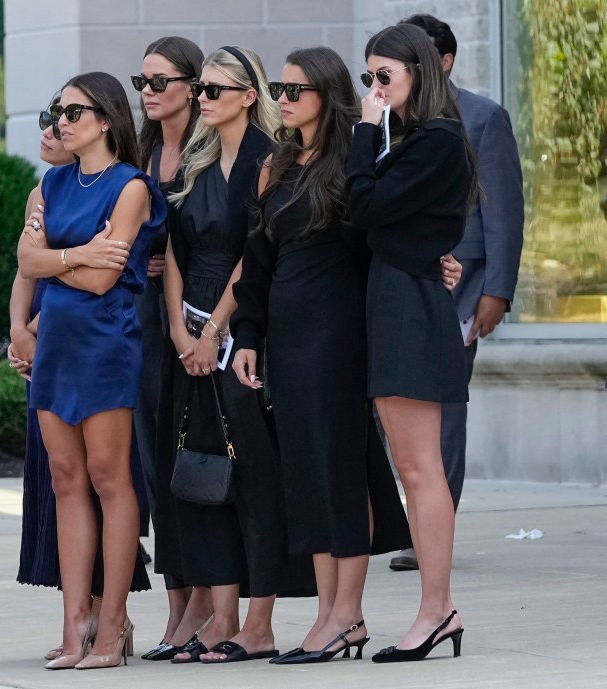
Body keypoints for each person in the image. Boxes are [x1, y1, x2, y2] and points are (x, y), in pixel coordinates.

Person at [230, 47, 415, 665]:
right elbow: (257, 261)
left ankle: (348, 614)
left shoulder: (352, 160)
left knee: (339, 471)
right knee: (304, 476)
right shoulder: (276, 164)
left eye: (295, 91)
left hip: (338, 334)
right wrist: (249, 335)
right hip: (286, 334)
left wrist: (434, 261)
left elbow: (385, 237)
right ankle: (326, 614)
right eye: (279, 90)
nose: (283, 100)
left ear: (326, 95)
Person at [160, 46, 312, 665]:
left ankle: (259, 622)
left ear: (250, 96)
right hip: (188, 326)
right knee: (203, 474)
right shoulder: (196, 160)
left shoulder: (267, 161)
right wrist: (177, 328)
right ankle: (220, 617)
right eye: (201, 89)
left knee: (251, 475)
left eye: (216, 91)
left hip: (241, 327)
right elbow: (172, 252)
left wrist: (216, 328)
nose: (203, 99)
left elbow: (255, 250)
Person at [16, 71, 166, 670]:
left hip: (104, 344)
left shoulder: (130, 188)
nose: (61, 122)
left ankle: (112, 626)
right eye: (58, 111)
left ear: (105, 119)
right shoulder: (48, 185)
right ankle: (73, 624)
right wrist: (75, 255)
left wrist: (55, 263)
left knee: (110, 480)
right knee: (65, 480)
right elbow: (27, 259)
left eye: (73, 112)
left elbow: (108, 280)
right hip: (56, 342)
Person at [345, 24, 479, 662]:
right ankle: (437, 608)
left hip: (409, 303)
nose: (374, 89)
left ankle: (437, 609)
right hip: (398, 294)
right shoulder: (419, 139)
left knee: (421, 470)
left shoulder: (436, 139)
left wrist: (365, 132)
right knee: (413, 468)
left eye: (384, 76)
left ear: (418, 73)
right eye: (367, 78)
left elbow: (364, 206)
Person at [389, 13, 525, 572]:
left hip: (460, 286)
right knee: (394, 405)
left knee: (442, 406)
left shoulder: (483, 118)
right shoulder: (385, 120)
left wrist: (497, 289)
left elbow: (504, 210)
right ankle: (412, 513)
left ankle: (429, 531)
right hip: (395, 280)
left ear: (444, 62)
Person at [130, 35, 214, 662]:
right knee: (154, 462)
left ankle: (207, 601)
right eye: (143, 83)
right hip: (137, 319)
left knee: (195, 456)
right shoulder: (140, 151)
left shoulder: (210, 151)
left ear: (191, 84)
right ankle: (176, 601)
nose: (150, 93)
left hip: (193, 322)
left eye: (160, 81)